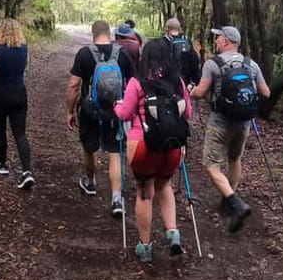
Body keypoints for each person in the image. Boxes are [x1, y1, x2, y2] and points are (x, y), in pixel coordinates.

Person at [114, 38, 192, 263]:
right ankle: (172, 233)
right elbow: (187, 115)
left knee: (145, 191)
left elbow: (125, 114)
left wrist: (116, 105)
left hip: (143, 146)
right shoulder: (177, 82)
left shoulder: (137, 82)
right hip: (173, 147)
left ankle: (145, 247)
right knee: (164, 185)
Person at [190, 26, 270, 232]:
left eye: (218, 38)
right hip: (244, 122)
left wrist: (191, 91)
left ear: (226, 41)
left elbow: (200, 92)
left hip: (220, 121)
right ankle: (230, 198)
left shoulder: (212, 64)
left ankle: (234, 202)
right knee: (235, 159)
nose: (216, 41)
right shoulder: (250, 64)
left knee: (211, 164)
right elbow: (266, 92)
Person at [66, 20, 135, 216]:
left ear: (93, 33)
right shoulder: (122, 53)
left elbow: (73, 85)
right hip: (116, 110)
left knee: (90, 148)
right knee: (115, 153)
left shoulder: (84, 53)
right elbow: (132, 83)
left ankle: (90, 182)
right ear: (109, 33)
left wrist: (69, 111)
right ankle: (116, 199)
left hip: (89, 109)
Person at [0, 18, 34, 190]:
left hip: (0, 95)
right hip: (19, 94)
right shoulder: (23, 49)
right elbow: (24, 68)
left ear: (0, 31)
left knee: (0, 129)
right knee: (20, 133)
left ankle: (2, 164)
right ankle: (27, 171)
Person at [163, 17, 201, 86]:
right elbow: (194, 61)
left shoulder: (163, 41)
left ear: (166, 28)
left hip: (169, 81)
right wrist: (196, 81)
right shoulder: (187, 41)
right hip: (186, 80)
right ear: (179, 28)